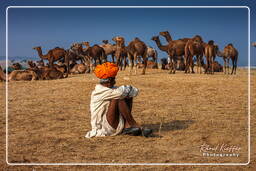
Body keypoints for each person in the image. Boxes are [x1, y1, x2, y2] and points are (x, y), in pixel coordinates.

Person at [85, 62, 152, 138]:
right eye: (114, 79)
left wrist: (127, 91)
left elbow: (134, 92)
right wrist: (127, 90)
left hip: (112, 123)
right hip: (103, 127)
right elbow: (127, 91)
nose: (115, 81)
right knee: (118, 98)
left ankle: (127, 125)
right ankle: (133, 124)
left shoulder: (112, 90)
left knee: (126, 96)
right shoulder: (99, 92)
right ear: (110, 80)